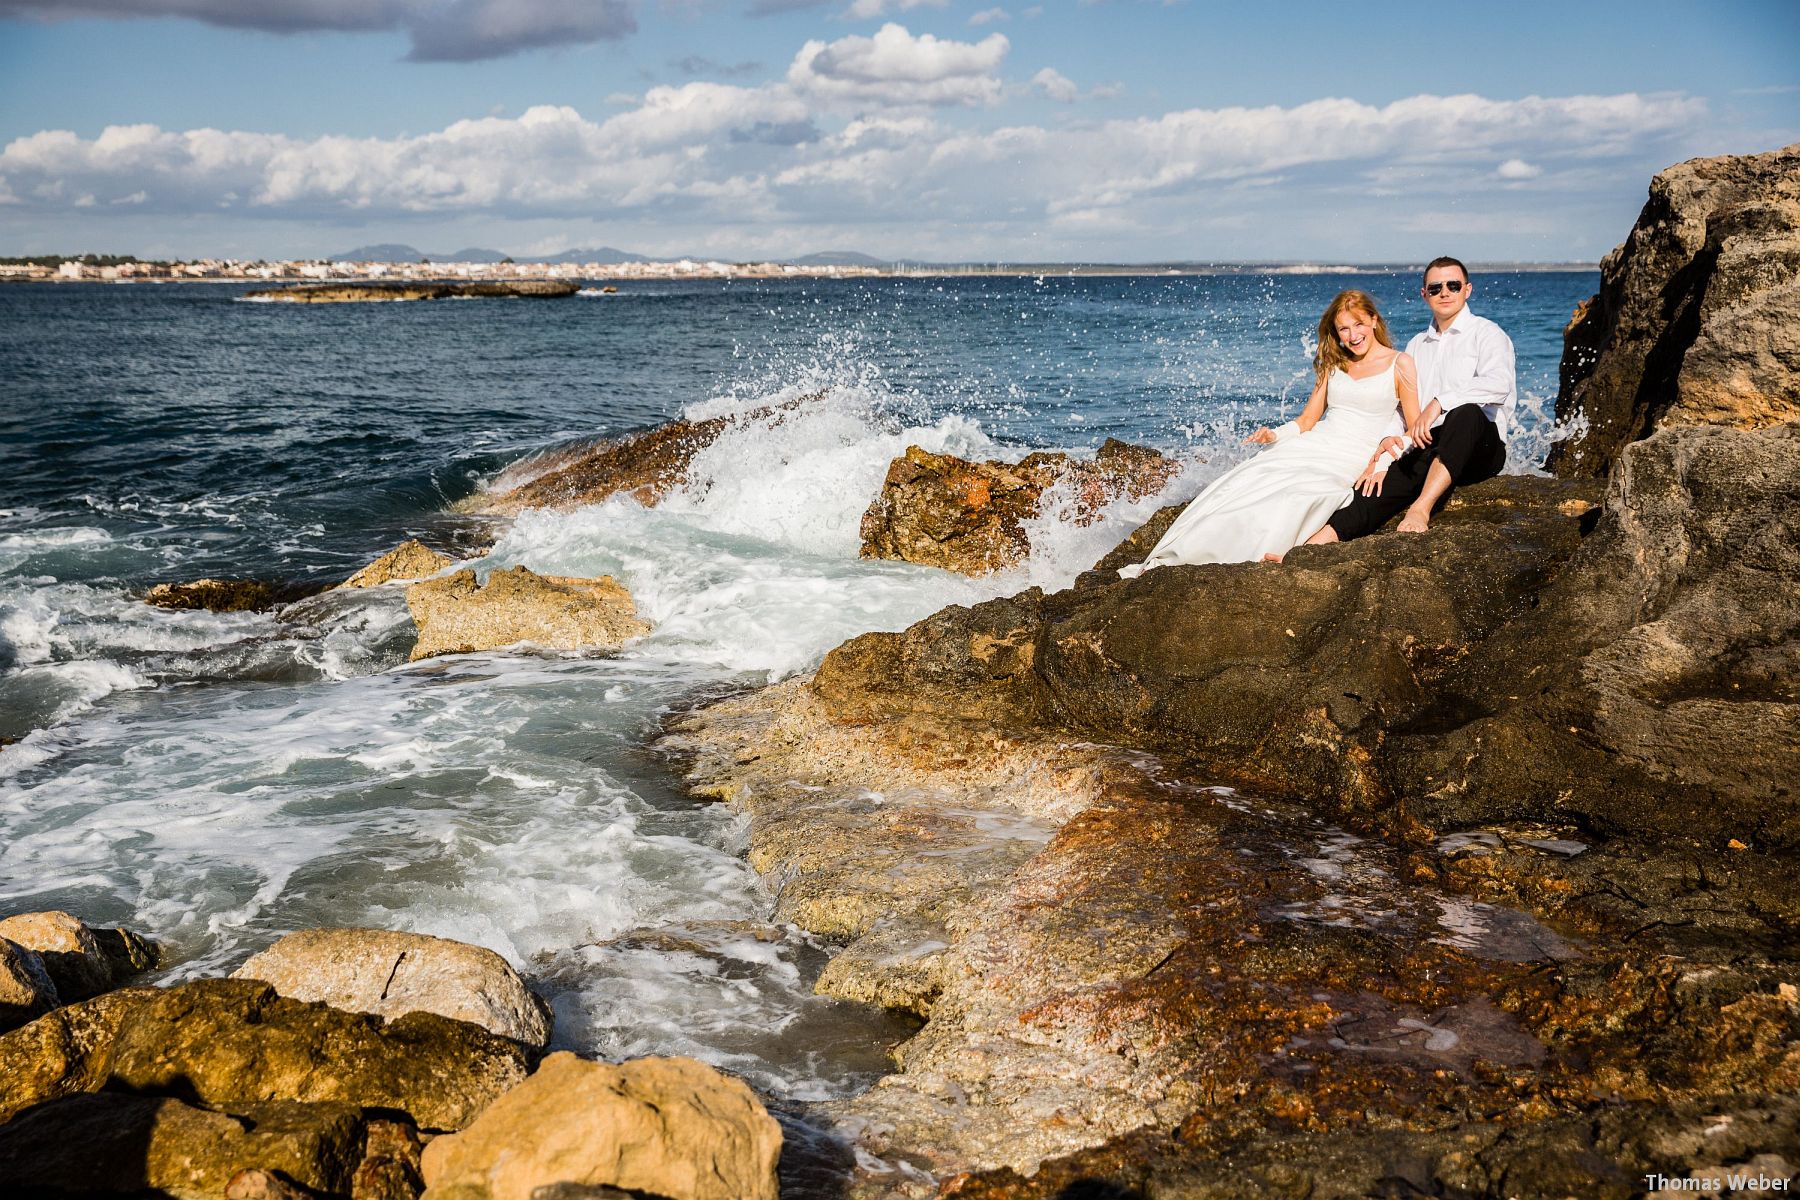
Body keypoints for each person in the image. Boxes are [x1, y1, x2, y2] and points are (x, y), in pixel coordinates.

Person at [1118, 290, 1419, 576]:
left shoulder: (1400, 363)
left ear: (1374, 321)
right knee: (1249, 480)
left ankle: (1254, 553)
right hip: (1316, 443)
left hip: (1353, 454)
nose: (1353, 336)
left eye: (1358, 325)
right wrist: (1274, 436)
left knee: (1296, 495)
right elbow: (1307, 421)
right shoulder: (1334, 364)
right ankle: (1183, 554)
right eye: (1343, 329)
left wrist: (1381, 463)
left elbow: (1414, 427)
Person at [1306, 257, 1514, 545]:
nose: (1444, 292)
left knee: (1464, 413)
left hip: (1480, 444)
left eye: (1453, 285)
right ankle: (1314, 543)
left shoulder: (1487, 334)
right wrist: (1388, 442)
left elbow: (1499, 384)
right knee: (1379, 482)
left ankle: (1421, 508)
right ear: (1424, 294)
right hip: (1432, 443)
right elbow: (1403, 407)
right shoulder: (1416, 346)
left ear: (1467, 290)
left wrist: (1440, 402)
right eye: (1435, 287)